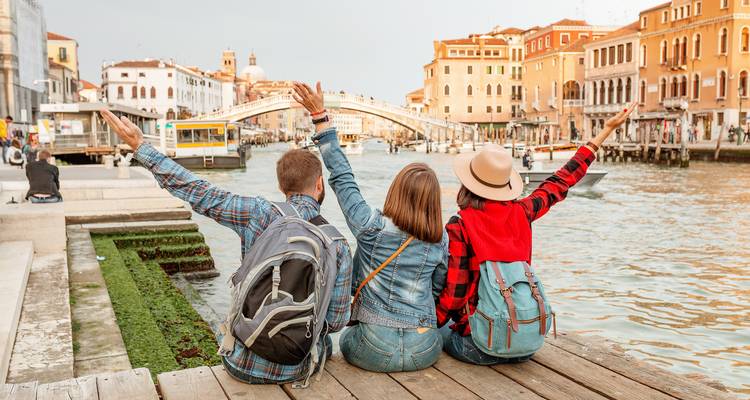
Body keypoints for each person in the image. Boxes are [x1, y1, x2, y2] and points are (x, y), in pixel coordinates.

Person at [98, 109, 353, 385]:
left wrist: (141, 148)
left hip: (240, 361)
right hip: (296, 368)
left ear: (282, 187)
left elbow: (201, 193)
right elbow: (337, 321)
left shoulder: (258, 213)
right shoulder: (336, 243)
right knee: (325, 340)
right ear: (319, 184)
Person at [435, 102, 639, 366]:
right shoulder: (523, 212)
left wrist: (427, 322)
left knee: (437, 332)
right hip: (526, 343)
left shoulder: (460, 225)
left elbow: (454, 295)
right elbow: (561, 180)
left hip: (480, 345)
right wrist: (605, 132)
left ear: (468, 184)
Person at [293, 82, 448, 372]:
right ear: (433, 202)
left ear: (396, 191)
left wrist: (320, 118)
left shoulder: (369, 226)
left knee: (345, 338)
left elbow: (342, 177)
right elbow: (438, 288)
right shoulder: (440, 238)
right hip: (425, 348)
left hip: (373, 348)